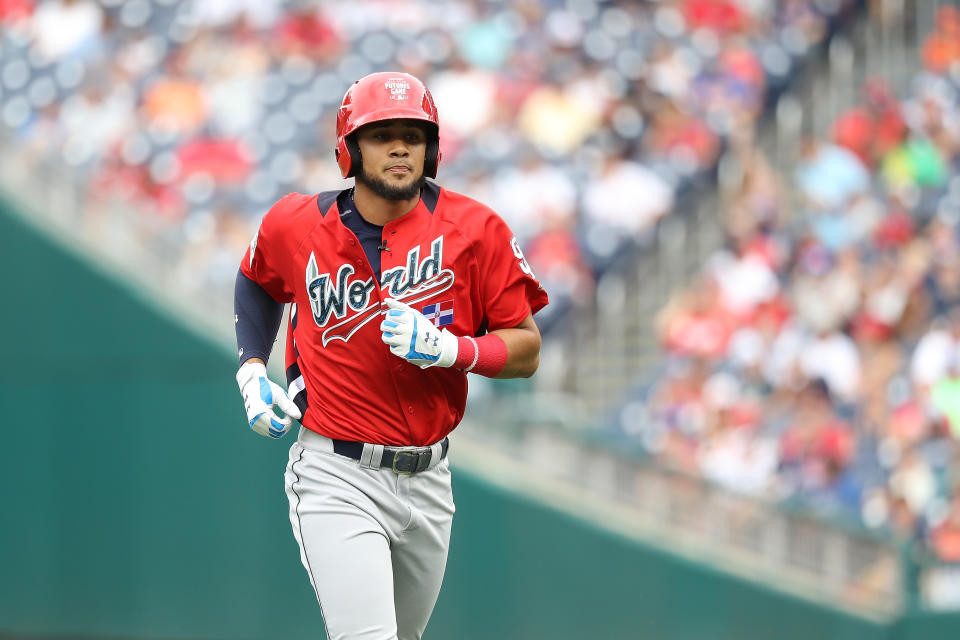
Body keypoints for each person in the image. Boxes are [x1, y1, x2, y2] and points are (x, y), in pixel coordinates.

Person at [232, 71, 548, 640]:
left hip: (430, 476)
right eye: (381, 134)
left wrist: (453, 349)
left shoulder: (476, 230)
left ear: (431, 150)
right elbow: (256, 281)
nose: (401, 146)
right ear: (349, 149)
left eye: (414, 134)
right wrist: (252, 367)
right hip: (337, 470)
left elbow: (526, 349)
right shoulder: (298, 223)